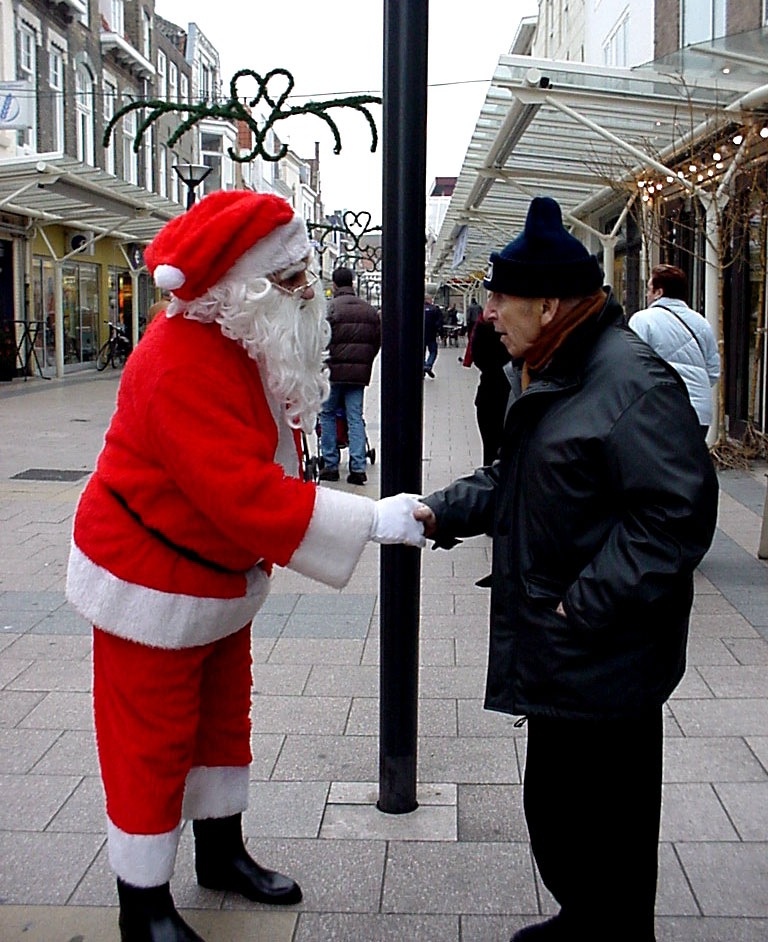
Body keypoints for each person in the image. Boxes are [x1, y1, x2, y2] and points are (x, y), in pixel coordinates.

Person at [65, 191, 424, 942]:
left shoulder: (244, 340)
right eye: (290, 279)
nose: (308, 292)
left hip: (217, 574)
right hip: (149, 578)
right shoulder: (177, 361)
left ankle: (220, 853)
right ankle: (144, 902)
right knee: (151, 738)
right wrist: (369, 519)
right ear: (240, 285)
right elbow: (239, 489)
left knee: (224, 719)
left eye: (305, 275)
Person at [410, 197, 718, 941]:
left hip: (603, 655)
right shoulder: (554, 371)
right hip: (568, 652)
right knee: (559, 815)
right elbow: (519, 479)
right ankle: (586, 920)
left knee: (601, 828)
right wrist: (437, 511)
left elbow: (677, 515)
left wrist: (580, 607)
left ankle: (605, 929)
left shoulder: (630, 382)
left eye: (499, 297)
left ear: (547, 305)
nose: (486, 312)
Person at [628, 263, 720, 436]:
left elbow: (632, 367)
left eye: (649, 289)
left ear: (658, 292)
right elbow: (713, 372)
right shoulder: (701, 322)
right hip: (700, 413)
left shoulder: (642, 320)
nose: (647, 294)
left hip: (660, 410)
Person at [318, 267, 381, 486]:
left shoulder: (329, 310)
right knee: (355, 418)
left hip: (332, 374)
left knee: (327, 414)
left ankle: (331, 465)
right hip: (357, 376)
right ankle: (357, 468)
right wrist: (364, 363)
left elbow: (320, 340)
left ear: (334, 285)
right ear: (352, 283)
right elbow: (376, 341)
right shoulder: (369, 310)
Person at [461, 310, 511, 465]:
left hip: (488, 395)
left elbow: (477, 356)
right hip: (505, 395)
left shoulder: (484, 326)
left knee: (490, 451)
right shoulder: (517, 330)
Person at [423, 295, 443, 378]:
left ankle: (423, 367)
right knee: (433, 351)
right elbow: (439, 323)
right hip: (432, 334)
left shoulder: (418, 309)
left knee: (421, 353)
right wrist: (441, 334)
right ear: (429, 300)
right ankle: (428, 365)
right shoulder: (435, 309)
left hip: (421, 335)